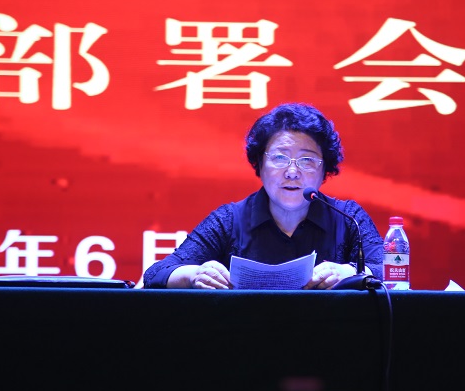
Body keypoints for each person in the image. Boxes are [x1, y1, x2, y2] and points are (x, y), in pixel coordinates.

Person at [143, 102, 383, 290]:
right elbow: (156, 273)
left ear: (324, 169)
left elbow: (389, 270)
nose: (292, 172)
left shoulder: (348, 218)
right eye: (279, 157)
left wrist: (350, 273)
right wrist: (194, 275)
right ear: (260, 163)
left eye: (307, 160)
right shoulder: (229, 220)